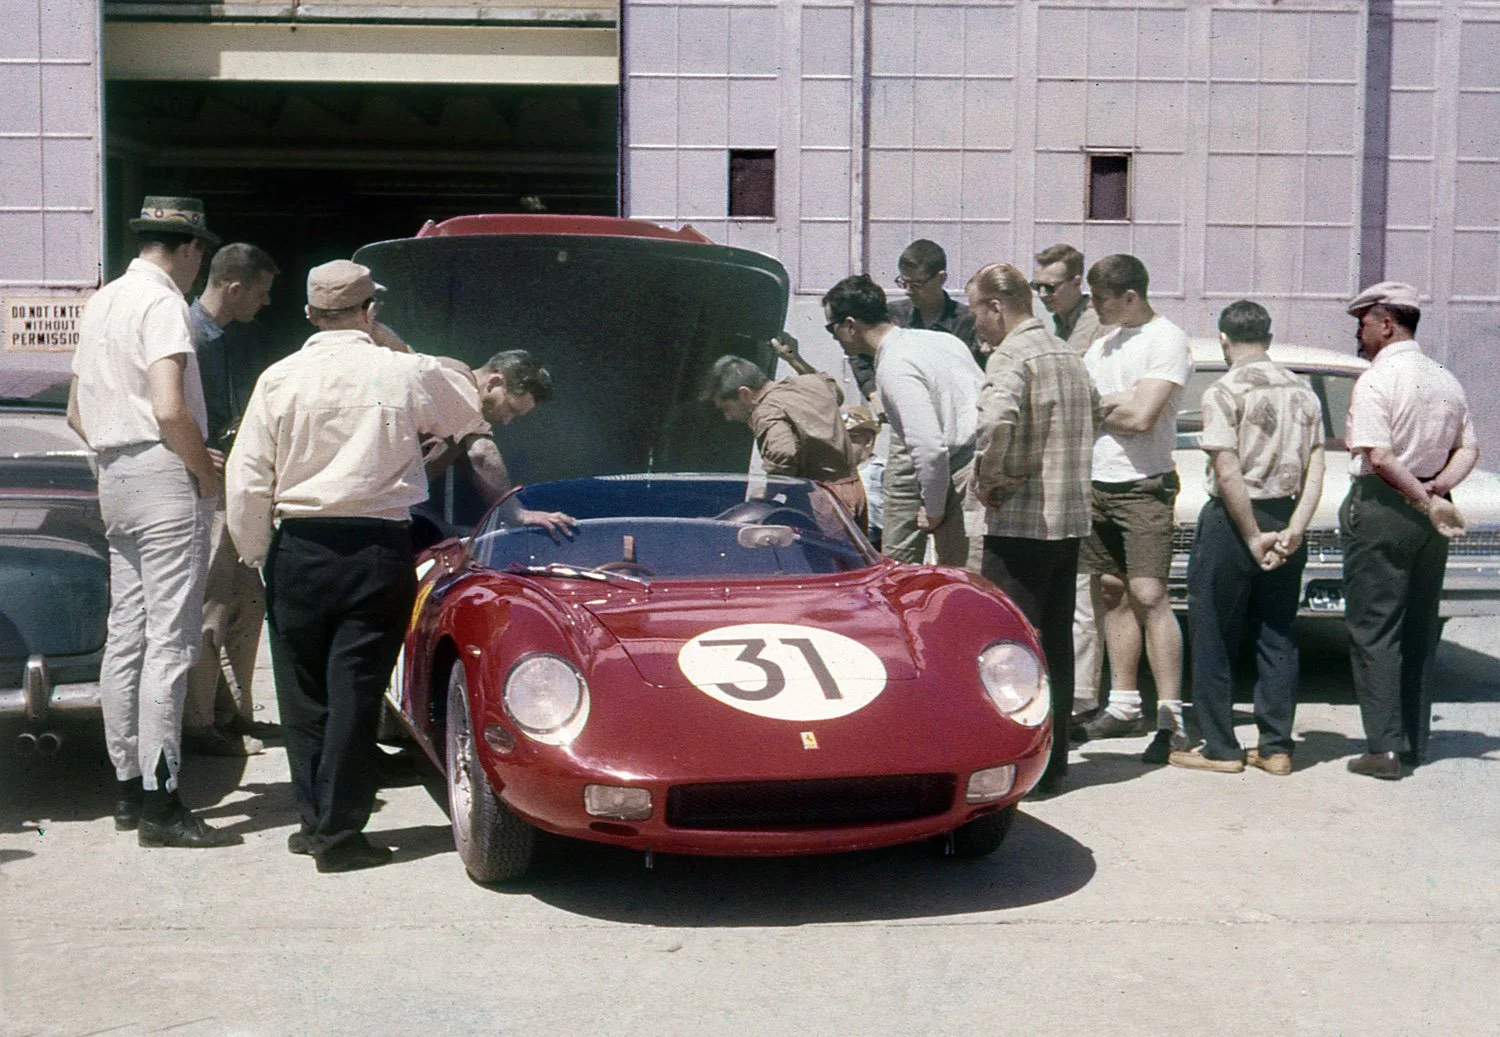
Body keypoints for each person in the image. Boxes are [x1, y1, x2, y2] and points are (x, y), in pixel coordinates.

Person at [225, 260, 568, 872]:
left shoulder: (277, 379)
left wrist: (259, 553)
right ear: (369, 311)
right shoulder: (407, 372)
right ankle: (338, 832)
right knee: (355, 689)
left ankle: (315, 823)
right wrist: (514, 512)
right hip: (376, 547)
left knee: (302, 694)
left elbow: (247, 477)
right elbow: (477, 441)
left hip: (298, 546)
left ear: (309, 314)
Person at [66, 195, 238, 848]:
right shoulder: (164, 303)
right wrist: (202, 468)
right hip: (165, 473)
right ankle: (162, 801)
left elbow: (77, 411)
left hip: (114, 473)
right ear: (190, 249)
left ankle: (125, 785)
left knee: (126, 635)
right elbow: (170, 407)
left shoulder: (103, 300)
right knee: (170, 642)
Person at [1169, 301, 1325, 776]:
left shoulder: (1224, 390)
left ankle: (1221, 746)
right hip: (1288, 509)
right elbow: (1316, 464)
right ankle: (1277, 746)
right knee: (1277, 631)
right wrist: (1295, 528)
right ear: (1270, 338)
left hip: (1235, 521)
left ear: (1224, 339)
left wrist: (1253, 535)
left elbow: (1227, 469)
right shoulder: (1302, 391)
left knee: (1214, 629)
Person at [1340, 282, 1478, 779]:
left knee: (1375, 629)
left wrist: (1420, 497)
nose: (1360, 333)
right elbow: (1469, 449)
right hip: (1431, 511)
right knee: (1419, 627)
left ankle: (1384, 748)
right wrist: (1438, 493)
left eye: (1363, 323)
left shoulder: (1378, 379)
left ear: (1385, 322)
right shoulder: (1445, 378)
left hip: (1385, 506)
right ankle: (1413, 741)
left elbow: (1379, 456)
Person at [967, 263, 1096, 793]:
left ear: (996, 307)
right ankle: (1055, 758)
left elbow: (995, 421)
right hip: (1067, 522)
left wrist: (989, 476)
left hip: (1020, 521)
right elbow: (1098, 412)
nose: (975, 324)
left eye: (975, 311)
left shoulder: (1012, 355)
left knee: (1009, 647)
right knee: (1057, 643)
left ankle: (1018, 761)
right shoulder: (1068, 354)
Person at [1073, 254, 1193, 764]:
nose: (1094, 307)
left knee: (1149, 593)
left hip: (1142, 484)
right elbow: (1082, 406)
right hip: (1097, 481)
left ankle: (1173, 717)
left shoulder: (1166, 339)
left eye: (1101, 299)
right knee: (1111, 590)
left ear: (1130, 297)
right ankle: (1123, 704)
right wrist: (1110, 404)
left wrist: (1109, 406)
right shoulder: (1103, 344)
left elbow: (1143, 416)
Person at [182, 242, 281, 758]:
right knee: (211, 605)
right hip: (207, 488)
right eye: (261, 293)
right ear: (235, 287)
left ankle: (232, 712)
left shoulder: (220, 337)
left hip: (230, 483)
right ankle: (199, 723)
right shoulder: (190, 335)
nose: (265, 304)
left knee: (246, 598)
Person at [822, 275, 983, 568]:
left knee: (965, 584)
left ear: (849, 325)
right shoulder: (943, 341)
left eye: (831, 329)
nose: (834, 338)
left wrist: (933, 510)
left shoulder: (894, 366)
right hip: (986, 465)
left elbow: (930, 449)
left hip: (963, 478)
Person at [1033, 243, 1114, 724]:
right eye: (1037, 286)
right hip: (1068, 470)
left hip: (1095, 470)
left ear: (1076, 283)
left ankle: (1084, 698)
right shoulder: (1058, 327)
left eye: (1052, 287)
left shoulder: (1096, 330)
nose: (1044, 295)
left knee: (1089, 591)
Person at [882, 240, 979, 563]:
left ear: (941, 278)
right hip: (911, 434)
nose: (909, 291)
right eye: (903, 283)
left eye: (917, 284)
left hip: (957, 441)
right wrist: (871, 386)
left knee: (956, 549)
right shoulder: (893, 316)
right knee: (899, 542)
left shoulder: (967, 322)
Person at [703, 355, 868, 527]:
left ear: (745, 393)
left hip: (822, 500)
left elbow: (782, 452)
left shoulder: (766, 411)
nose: (728, 417)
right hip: (853, 490)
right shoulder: (809, 383)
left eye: (727, 408)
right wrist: (795, 360)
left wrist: (769, 492)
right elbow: (835, 391)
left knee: (822, 553)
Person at [845, 406, 884, 545]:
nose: (842, 444)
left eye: (851, 439)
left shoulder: (882, 472)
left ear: (868, 441)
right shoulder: (834, 473)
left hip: (876, 545)